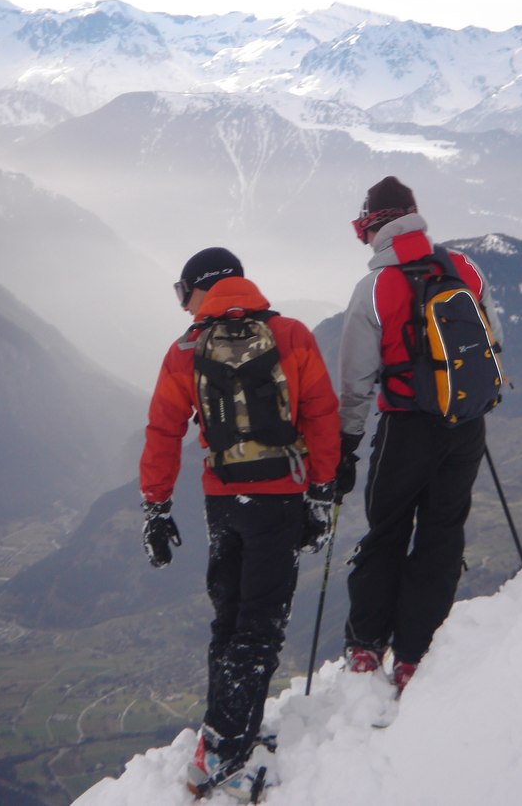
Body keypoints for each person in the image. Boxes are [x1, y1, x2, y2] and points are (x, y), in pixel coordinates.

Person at [140, 247, 341, 799]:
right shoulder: (293, 335)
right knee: (260, 624)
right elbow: (321, 413)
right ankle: (226, 749)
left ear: (203, 289)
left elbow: (162, 431)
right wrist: (322, 492)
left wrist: (156, 507)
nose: (184, 306)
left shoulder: (184, 351)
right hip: (279, 498)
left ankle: (223, 727)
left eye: (184, 293)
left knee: (229, 616)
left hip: (222, 500)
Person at [335, 177, 503, 694]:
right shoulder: (465, 269)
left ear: (374, 226)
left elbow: (357, 381)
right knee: (442, 533)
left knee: (386, 530)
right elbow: (492, 341)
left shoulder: (375, 288)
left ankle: (367, 646)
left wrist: (346, 444)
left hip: (406, 428)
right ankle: (414, 654)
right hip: (465, 426)